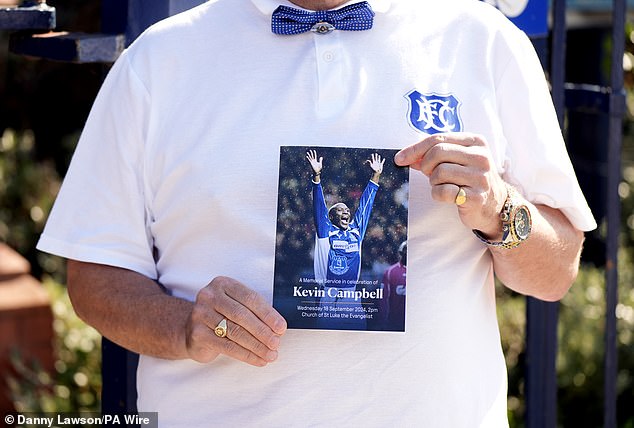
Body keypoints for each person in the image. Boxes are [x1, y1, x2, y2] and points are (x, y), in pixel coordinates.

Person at [36, 0, 597, 426]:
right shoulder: (157, 63)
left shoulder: (485, 41)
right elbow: (94, 276)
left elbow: (557, 271)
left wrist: (500, 208)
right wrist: (184, 327)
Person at [306, 149, 384, 329]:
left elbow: (366, 206)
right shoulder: (326, 233)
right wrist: (316, 177)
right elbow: (319, 208)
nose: (346, 212)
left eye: (348, 210)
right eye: (340, 210)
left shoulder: (356, 231)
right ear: (331, 217)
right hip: (329, 299)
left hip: (353, 299)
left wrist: (375, 176)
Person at [378, 241, 407, 331]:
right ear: (401, 253)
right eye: (405, 251)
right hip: (395, 321)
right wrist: (385, 320)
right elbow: (384, 299)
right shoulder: (391, 272)